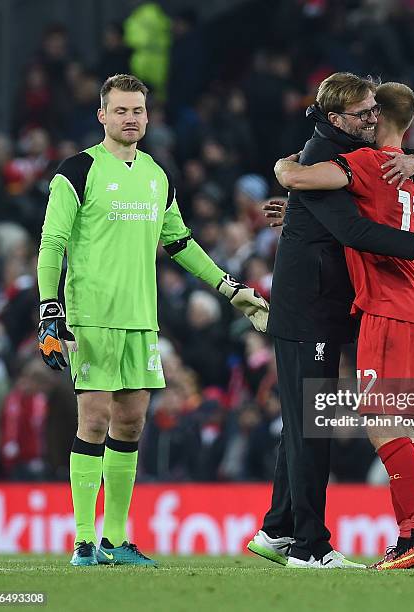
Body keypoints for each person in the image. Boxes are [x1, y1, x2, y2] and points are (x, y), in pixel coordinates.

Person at [37, 74, 269, 567]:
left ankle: (116, 540)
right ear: (102, 115)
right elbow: (52, 244)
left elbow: (180, 242)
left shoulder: (157, 176)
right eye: (120, 110)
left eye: (137, 111)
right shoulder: (77, 171)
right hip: (91, 317)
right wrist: (50, 309)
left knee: (131, 422)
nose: (130, 119)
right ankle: (82, 539)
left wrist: (230, 289)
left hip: (142, 319)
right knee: (94, 419)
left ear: (147, 116)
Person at [247, 72, 414, 570]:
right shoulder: (406, 173)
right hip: (406, 304)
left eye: (372, 113)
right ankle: (286, 532)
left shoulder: (365, 162)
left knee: (379, 420)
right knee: (378, 420)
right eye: (359, 113)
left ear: (380, 118)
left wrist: (288, 165)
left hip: (387, 305)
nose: (367, 119)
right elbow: (345, 213)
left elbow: (303, 182)